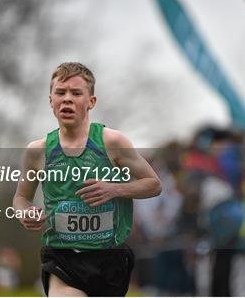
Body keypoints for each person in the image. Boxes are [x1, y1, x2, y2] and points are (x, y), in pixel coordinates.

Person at [13, 62, 162, 297]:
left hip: (109, 258)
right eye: (60, 93)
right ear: (51, 100)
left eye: (76, 93)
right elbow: (21, 197)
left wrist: (114, 189)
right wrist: (25, 212)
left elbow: (153, 184)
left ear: (91, 101)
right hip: (62, 256)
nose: (67, 99)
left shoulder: (112, 142)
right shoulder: (37, 151)